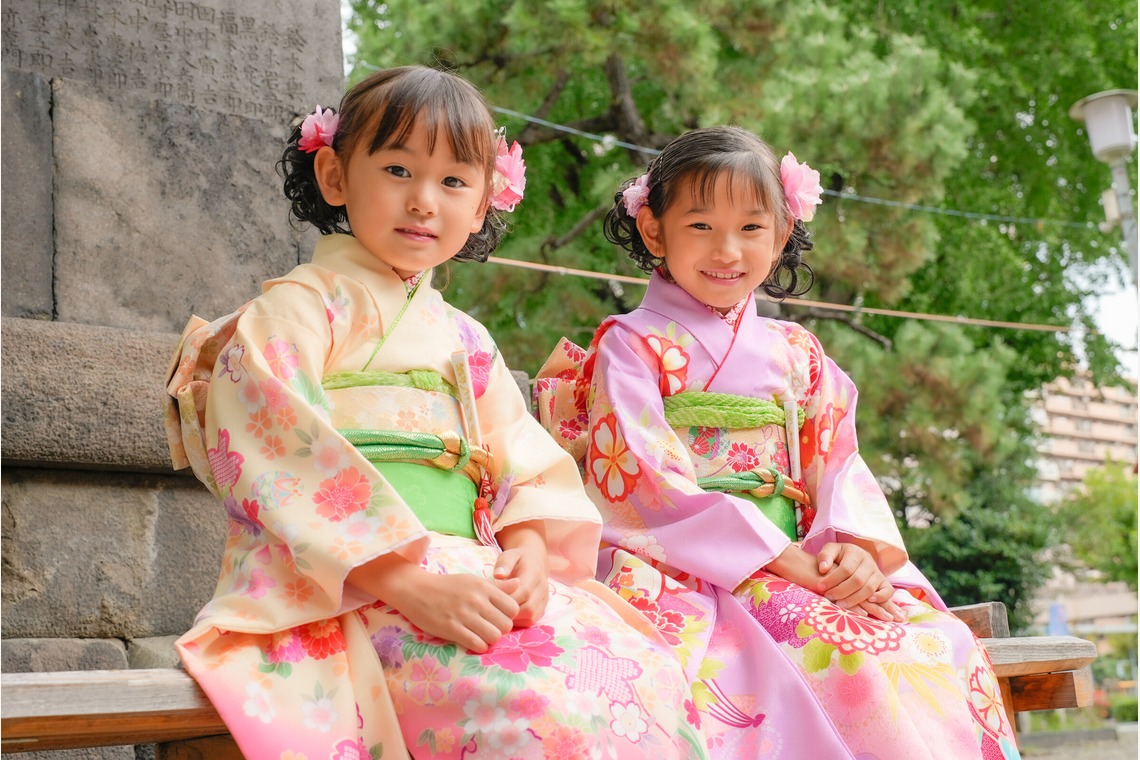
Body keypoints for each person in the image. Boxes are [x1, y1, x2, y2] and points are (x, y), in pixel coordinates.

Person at [165, 66, 706, 760]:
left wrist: (530, 554)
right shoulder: (296, 311)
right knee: (536, 707)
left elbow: (525, 465)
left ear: (483, 205)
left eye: (453, 181)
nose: (424, 201)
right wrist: (408, 583)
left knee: (641, 677)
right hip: (346, 588)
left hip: (471, 576)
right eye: (397, 169)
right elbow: (278, 457)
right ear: (334, 176)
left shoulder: (466, 339)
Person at [536, 126, 1021, 759]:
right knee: (834, 649)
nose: (727, 250)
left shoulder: (799, 353)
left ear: (783, 233)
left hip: (802, 557)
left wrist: (848, 554)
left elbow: (838, 467)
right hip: (683, 567)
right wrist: (786, 563)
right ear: (655, 231)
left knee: (933, 642)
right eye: (701, 226)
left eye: (752, 228)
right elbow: (647, 481)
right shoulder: (630, 345)